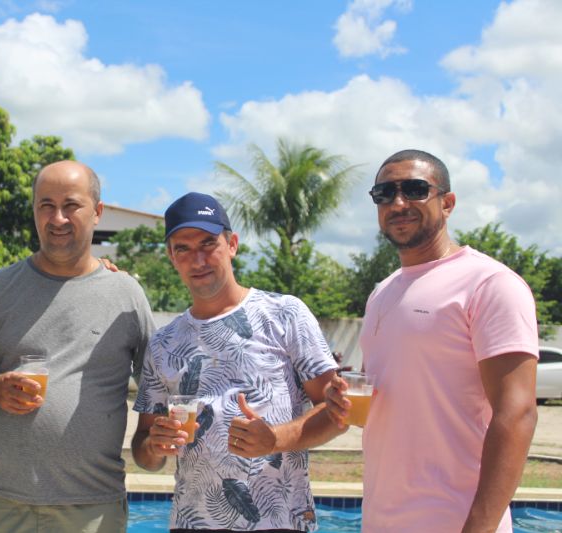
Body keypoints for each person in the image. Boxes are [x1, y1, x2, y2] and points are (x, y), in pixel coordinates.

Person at [0, 160, 155, 533]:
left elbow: (156, 386)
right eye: (46, 205)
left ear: (96, 212)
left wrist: (152, 444)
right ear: (34, 212)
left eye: (71, 205)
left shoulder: (126, 294)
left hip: (92, 510)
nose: (57, 218)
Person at [326, 149, 538, 532]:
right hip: (381, 520)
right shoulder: (382, 293)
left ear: (448, 203)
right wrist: (340, 400)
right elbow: (387, 399)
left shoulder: (490, 284)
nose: (398, 203)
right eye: (384, 194)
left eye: (414, 189)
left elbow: (517, 412)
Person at [131, 192, 342, 532]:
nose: (198, 259)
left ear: (232, 245)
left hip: (280, 523)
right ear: (171, 257)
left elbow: (338, 412)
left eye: (208, 243)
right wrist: (155, 446)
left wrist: (275, 438)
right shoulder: (163, 343)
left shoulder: (285, 314)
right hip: (191, 523)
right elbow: (143, 450)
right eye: (183, 248)